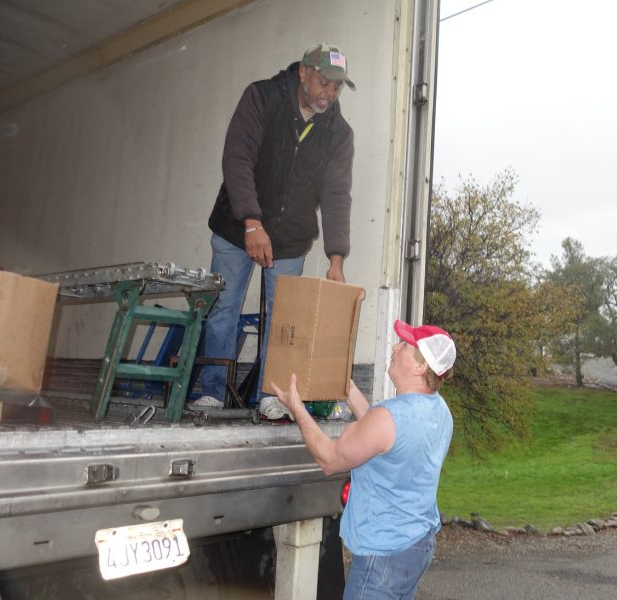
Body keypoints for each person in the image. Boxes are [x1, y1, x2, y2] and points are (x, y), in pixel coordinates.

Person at [198, 42, 356, 405]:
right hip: (236, 228)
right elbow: (237, 157)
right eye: (323, 82)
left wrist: (336, 259)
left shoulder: (339, 134)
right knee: (224, 309)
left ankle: (271, 396)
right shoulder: (262, 98)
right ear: (303, 73)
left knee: (285, 321)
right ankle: (212, 393)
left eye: (337, 86)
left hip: (289, 239)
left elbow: (337, 196)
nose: (329, 93)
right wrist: (252, 224)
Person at [270, 320, 456, 600]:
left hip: (384, 556)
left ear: (420, 367)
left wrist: (296, 407)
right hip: (416, 545)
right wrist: (348, 387)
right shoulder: (439, 410)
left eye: (404, 345)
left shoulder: (389, 418)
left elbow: (329, 459)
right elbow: (382, 437)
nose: (395, 347)